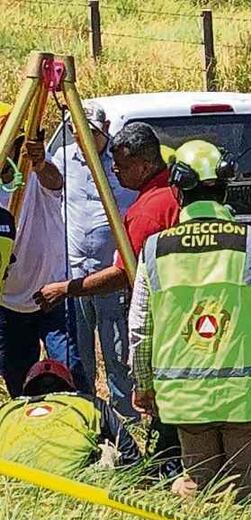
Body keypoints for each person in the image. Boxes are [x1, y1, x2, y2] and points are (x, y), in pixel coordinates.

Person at [128, 140, 251, 499]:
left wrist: (143, 384)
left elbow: (140, 327)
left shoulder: (156, 249)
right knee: (248, 493)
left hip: (185, 402)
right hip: (246, 399)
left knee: (201, 487)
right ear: (224, 189)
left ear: (177, 191)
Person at [36, 121, 182, 477]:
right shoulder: (170, 194)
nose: (114, 170)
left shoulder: (149, 209)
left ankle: (164, 462)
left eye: (121, 164)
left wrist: (66, 288)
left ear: (145, 165)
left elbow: (123, 274)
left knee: (152, 389)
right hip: (177, 316)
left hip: (162, 320)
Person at [53, 101, 138, 419]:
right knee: (80, 346)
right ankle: (86, 407)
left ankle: (124, 412)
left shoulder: (120, 163)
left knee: (116, 346)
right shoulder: (63, 159)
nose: (81, 137)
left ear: (104, 130)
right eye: (76, 131)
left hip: (110, 272)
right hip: (75, 270)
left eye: (89, 132)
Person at [0, 104, 88, 397]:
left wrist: (37, 163)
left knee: (69, 373)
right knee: (17, 379)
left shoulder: (34, 169)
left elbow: (55, 181)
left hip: (50, 293)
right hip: (8, 301)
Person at [0, 359, 141, 474]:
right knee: (108, 450)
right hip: (76, 479)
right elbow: (127, 448)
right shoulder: (89, 402)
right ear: (68, 385)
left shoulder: (7, 409)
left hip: (11, 478)